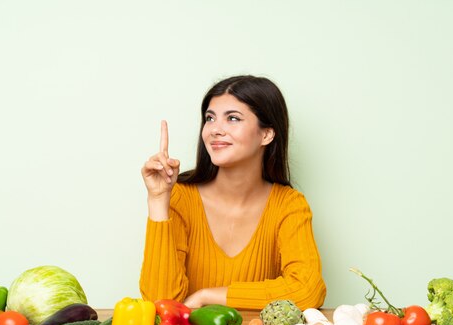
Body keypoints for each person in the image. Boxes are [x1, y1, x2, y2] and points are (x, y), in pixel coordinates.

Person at [139, 75, 326, 310]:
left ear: (266, 134)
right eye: (210, 118)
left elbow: (308, 291)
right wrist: (158, 201)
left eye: (233, 118)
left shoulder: (289, 206)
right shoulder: (180, 198)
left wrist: (207, 296)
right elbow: (161, 303)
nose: (215, 130)